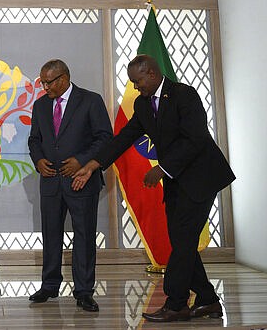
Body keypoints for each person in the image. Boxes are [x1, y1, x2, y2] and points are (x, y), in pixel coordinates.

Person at [72, 54, 235, 322]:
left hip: (201, 177)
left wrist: (161, 168)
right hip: (176, 181)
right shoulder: (143, 104)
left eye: (138, 82)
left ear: (150, 73)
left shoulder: (184, 95)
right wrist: (93, 164)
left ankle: (176, 303)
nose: (136, 88)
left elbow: (195, 139)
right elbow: (124, 138)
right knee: (182, 242)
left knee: (182, 241)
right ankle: (207, 300)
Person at [28, 59, 112, 312]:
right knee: (50, 233)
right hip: (51, 181)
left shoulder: (90, 100)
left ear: (63, 78)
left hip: (81, 181)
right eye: (42, 82)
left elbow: (105, 138)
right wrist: (39, 160)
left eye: (49, 82)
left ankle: (84, 291)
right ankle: (50, 285)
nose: (45, 88)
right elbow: (34, 140)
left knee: (84, 235)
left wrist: (82, 160)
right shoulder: (41, 105)